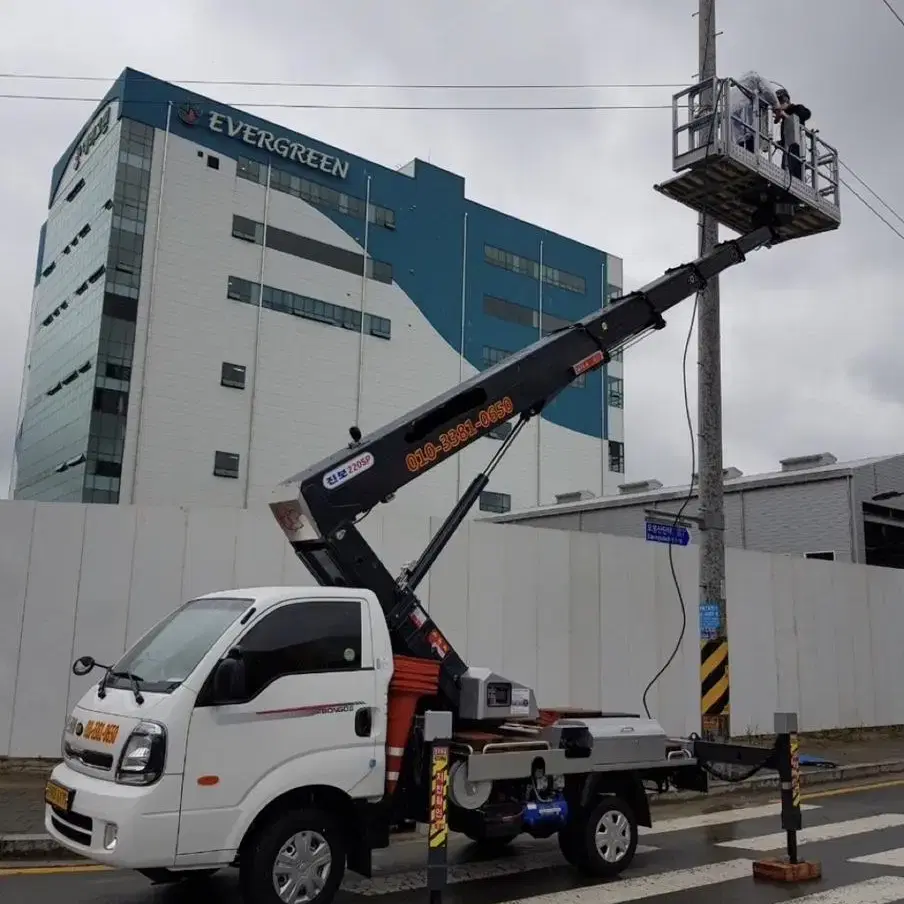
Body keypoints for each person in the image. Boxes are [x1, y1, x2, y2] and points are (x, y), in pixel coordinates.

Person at [728, 71, 779, 152]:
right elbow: (768, 91)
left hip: (731, 112)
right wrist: (777, 106)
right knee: (748, 135)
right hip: (745, 107)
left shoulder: (736, 87)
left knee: (739, 138)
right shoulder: (757, 78)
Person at [773, 87, 812, 181]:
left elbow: (807, 114)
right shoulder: (784, 122)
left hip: (796, 148)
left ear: (785, 99)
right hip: (787, 150)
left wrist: (786, 115)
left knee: (794, 171)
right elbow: (785, 137)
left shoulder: (797, 108)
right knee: (785, 170)